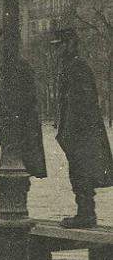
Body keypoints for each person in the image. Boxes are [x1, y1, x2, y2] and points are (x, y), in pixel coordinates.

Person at [51, 28, 113, 228]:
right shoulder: (71, 65)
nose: (56, 50)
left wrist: (70, 129)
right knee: (78, 171)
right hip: (76, 129)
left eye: (59, 45)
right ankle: (85, 212)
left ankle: (86, 214)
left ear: (69, 44)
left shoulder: (77, 66)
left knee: (81, 171)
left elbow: (81, 101)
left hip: (82, 130)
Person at [0, 56, 47, 180]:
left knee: (16, 172)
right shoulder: (7, 67)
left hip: (18, 132)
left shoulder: (17, 68)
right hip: (13, 133)